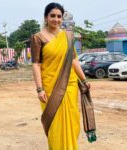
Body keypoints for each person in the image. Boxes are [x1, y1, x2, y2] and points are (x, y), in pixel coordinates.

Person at [31, 2, 90, 150]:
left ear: (62, 18)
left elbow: (74, 60)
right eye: (52, 16)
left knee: (72, 119)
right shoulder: (38, 38)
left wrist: (84, 79)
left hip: (70, 85)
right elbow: (36, 64)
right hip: (50, 87)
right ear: (46, 17)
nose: (56, 19)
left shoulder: (68, 37)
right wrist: (40, 89)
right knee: (55, 124)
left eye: (59, 16)